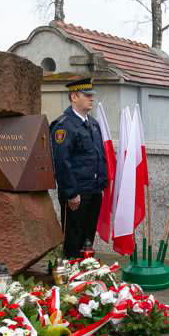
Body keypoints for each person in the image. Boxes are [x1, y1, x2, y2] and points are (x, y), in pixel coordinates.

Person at [49, 78, 107, 259]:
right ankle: (71, 279)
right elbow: (61, 162)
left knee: (88, 239)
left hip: (94, 190)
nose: (91, 99)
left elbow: (99, 156)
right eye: (87, 95)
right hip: (77, 194)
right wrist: (71, 193)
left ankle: (85, 276)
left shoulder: (93, 124)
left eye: (92, 95)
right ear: (74, 97)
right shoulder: (63, 125)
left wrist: (102, 184)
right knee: (73, 239)